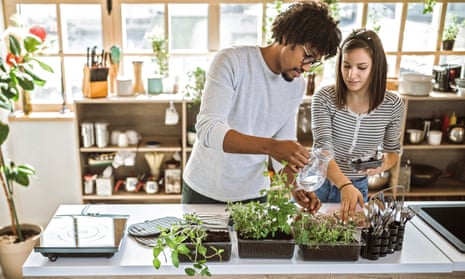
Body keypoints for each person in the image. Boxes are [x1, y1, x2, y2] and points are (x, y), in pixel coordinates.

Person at [182, 0, 341, 211]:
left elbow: (283, 145)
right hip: (204, 191)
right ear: (288, 36)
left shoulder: (296, 86)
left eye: (314, 62)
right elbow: (208, 130)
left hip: (253, 196)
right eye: (307, 56)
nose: (307, 67)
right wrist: (273, 147)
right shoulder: (232, 61)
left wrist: (295, 186)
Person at [311, 28, 404, 221]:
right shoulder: (324, 98)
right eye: (346, 66)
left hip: (357, 187)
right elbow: (323, 150)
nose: (351, 75)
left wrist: (380, 166)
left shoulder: (393, 105)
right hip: (319, 183)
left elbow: (392, 151)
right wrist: (344, 185)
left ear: (376, 67)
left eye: (361, 67)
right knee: (310, 241)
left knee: (347, 244)